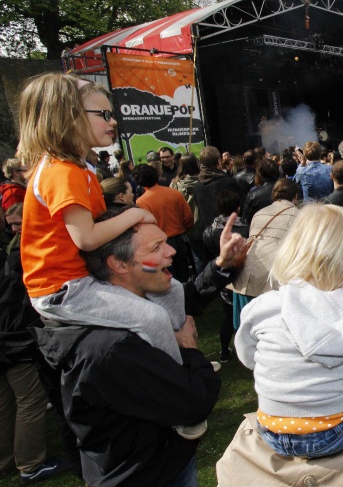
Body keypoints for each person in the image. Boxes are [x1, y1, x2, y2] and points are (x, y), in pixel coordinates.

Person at [33, 209, 244, 487]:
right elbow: (194, 401)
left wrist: (221, 264)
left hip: (167, 461)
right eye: (157, 247)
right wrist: (191, 350)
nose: (172, 252)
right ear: (119, 264)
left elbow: (186, 300)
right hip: (145, 476)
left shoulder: (137, 298)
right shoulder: (111, 348)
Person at [235, 204, 343, 458]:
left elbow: (247, 357)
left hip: (272, 430)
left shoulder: (263, 306)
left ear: (294, 247)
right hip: (335, 430)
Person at [15, 74, 155, 306]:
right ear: (68, 117)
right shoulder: (63, 171)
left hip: (77, 280)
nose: (113, 122)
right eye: (104, 115)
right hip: (64, 287)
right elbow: (87, 238)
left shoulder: (77, 170)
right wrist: (135, 214)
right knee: (154, 317)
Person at [0, 204, 69, 484]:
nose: (15, 227)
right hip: (14, 341)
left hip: (8, 337)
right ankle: (30, 465)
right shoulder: (20, 255)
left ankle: (5, 459)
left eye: (18, 222)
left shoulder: (11, 252)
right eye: (11, 223)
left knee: (5, 402)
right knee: (30, 400)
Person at [231, 178, 300, 326]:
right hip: (271, 273)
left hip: (247, 268)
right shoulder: (298, 215)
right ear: (296, 195)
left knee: (247, 323)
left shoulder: (260, 212)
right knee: (268, 324)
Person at [203, 190, 249, 363]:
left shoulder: (209, 231)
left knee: (228, 316)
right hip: (242, 278)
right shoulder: (246, 228)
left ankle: (224, 351)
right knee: (245, 315)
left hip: (224, 280)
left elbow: (209, 257)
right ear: (238, 207)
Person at [133, 164, 194, 282]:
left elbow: (146, 228)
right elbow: (188, 217)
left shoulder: (141, 201)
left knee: (170, 277)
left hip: (161, 243)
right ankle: (188, 295)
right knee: (183, 273)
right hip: (179, 238)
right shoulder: (174, 193)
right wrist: (184, 230)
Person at [241, 158, 280, 224]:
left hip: (261, 229)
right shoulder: (287, 189)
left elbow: (246, 220)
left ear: (260, 174)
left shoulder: (253, 195)